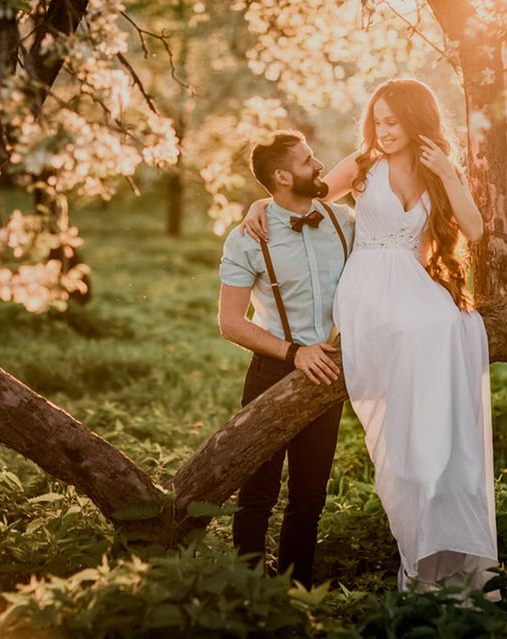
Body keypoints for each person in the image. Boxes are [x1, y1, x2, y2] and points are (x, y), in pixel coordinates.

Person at [240, 78, 499, 597]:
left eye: (392, 122)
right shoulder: (362, 165)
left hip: (413, 283)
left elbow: (473, 229)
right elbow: (306, 193)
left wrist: (449, 172)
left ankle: (435, 485)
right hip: (367, 288)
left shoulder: (434, 170)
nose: (382, 131)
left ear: (416, 120)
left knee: (450, 325)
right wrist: (259, 205)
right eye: (377, 121)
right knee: (419, 327)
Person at [218, 130, 355, 588]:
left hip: (329, 373)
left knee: (309, 497)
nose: (320, 166)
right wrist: (294, 354)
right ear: (280, 176)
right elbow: (231, 323)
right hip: (273, 369)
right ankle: (249, 592)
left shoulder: (345, 222)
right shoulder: (248, 238)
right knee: (256, 494)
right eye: (308, 160)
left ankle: (298, 593)